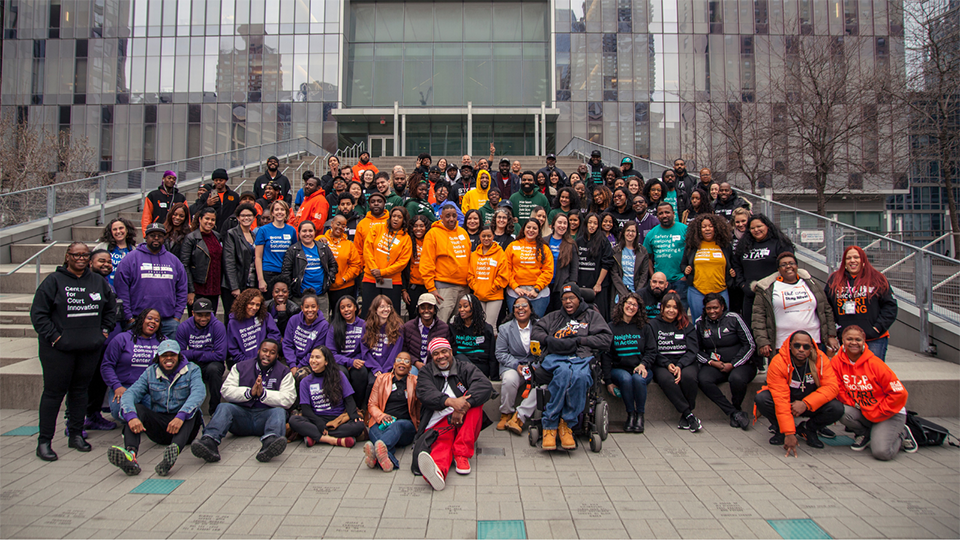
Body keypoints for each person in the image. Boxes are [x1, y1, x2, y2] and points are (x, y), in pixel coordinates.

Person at [30, 242, 117, 461]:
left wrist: (103, 333)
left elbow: (110, 310)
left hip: (89, 348)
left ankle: (76, 434)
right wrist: (55, 337)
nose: (80, 258)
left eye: (84, 255)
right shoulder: (53, 281)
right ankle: (44, 441)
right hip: (58, 350)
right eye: (76, 254)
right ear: (67, 256)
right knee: (53, 394)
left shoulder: (97, 281)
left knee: (80, 392)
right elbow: (39, 314)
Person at [531, 283, 612, 450]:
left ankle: (566, 423)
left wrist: (582, 340)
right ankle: (550, 425)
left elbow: (606, 339)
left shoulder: (592, 316)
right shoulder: (554, 317)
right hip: (557, 358)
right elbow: (536, 331)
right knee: (562, 374)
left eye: (571, 298)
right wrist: (548, 340)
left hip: (581, 357)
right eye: (564, 299)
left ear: (579, 299)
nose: (568, 302)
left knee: (580, 377)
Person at [107, 340, 205, 477]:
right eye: (164, 355)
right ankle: (130, 455)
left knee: (193, 412)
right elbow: (131, 393)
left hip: (184, 429)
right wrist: (131, 417)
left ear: (179, 356)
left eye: (173, 355)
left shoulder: (192, 370)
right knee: (136, 409)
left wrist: (181, 416)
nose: (169, 358)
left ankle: (172, 455)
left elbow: (198, 393)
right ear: (158, 357)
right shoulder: (150, 372)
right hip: (160, 427)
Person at [190, 339, 296, 464]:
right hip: (242, 417)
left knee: (279, 412)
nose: (267, 355)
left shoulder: (284, 372)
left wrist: (264, 394)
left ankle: (270, 443)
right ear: (258, 351)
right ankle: (209, 442)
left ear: (277, 356)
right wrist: (249, 393)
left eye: (272, 352)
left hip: (266, 418)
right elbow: (226, 390)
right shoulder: (240, 367)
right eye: (264, 351)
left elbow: (289, 398)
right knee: (224, 407)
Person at [415, 338, 494, 491]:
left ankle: (461, 455)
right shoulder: (426, 371)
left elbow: (484, 385)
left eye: (444, 351)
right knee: (442, 443)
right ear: (432, 356)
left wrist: (463, 407)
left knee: (475, 405)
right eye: (436, 354)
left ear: (451, 352)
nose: (441, 356)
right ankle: (436, 472)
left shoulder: (465, 367)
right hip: (439, 420)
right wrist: (451, 402)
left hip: (465, 421)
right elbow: (425, 393)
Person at [833, 325, 915, 459]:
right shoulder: (837, 362)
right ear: (842, 340)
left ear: (864, 341)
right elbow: (839, 389)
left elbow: (899, 393)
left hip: (888, 412)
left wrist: (878, 412)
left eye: (858, 339)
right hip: (865, 409)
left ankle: (902, 432)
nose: (854, 343)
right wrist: (855, 404)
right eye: (849, 339)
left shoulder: (876, 364)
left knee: (882, 453)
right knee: (841, 411)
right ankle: (865, 434)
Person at [754, 331, 844, 454]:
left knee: (837, 407)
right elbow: (781, 398)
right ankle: (781, 430)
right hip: (787, 402)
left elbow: (832, 387)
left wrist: (806, 403)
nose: (801, 350)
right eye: (797, 346)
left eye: (806, 347)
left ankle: (809, 429)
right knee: (762, 398)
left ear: (811, 347)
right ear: (790, 345)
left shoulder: (821, 359)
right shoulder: (779, 362)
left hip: (810, 403)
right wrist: (789, 433)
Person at [753, 252, 839, 357]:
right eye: (783, 265)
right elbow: (758, 318)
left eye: (791, 263)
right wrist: (763, 342)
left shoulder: (812, 284)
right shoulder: (766, 289)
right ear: (778, 270)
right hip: (782, 344)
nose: (788, 266)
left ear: (797, 266)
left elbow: (826, 310)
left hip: (813, 341)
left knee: (813, 373)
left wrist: (831, 335)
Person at [114, 222, 188, 338]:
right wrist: (129, 318)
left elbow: (182, 289)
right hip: (138, 320)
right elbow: (122, 289)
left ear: (165, 238)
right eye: (152, 235)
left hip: (168, 322)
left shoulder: (174, 261)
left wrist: (177, 316)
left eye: (160, 236)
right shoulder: (130, 259)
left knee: (170, 355)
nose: (156, 238)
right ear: (145, 237)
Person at [696, 294, 756, 429]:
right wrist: (711, 362)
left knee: (737, 378)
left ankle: (737, 406)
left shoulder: (734, 319)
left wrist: (733, 364)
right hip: (716, 364)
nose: (712, 311)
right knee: (703, 379)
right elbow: (696, 350)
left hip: (741, 364)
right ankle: (733, 412)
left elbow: (750, 345)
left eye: (715, 308)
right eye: (708, 308)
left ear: (722, 307)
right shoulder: (700, 323)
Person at [826, 247, 898, 360]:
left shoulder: (877, 279)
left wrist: (877, 328)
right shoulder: (834, 280)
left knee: (872, 374)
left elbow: (890, 307)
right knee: (849, 375)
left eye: (856, 257)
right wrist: (834, 331)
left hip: (873, 339)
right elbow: (827, 307)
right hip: (846, 339)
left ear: (863, 260)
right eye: (848, 258)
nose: (852, 261)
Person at [289, 347, 366, 447]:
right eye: (311, 357)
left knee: (359, 425)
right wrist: (318, 423)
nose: (313, 360)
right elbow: (306, 409)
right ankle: (334, 440)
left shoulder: (339, 375)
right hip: (316, 419)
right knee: (293, 421)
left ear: (326, 361)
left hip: (337, 420)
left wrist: (354, 415)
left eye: (317, 357)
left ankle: (315, 436)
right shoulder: (305, 381)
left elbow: (349, 400)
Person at [648, 292, 702, 432]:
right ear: (662, 308)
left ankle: (686, 415)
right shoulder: (653, 325)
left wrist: (680, 365)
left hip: (685, 362)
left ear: (679, 309)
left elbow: (692, 350)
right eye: (668, 307)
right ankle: (688, 414)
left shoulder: (686, 325)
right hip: (662, 363)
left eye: (675, 307)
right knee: (667, 380)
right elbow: (652, 349)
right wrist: (667, 364)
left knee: (689, 377)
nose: (671, 310)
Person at [733, 213, 795, 333]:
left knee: (773, 330)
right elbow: (737, 266)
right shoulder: (744, 245)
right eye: (752, 228)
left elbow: (787, 266)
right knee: (752, 330)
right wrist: (742, 285)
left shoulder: (780, 243)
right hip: (750, 295)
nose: (756, 230)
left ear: (767, 226)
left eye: (759, 226)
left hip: (774, 295)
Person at [603, 293, 655, 433]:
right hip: (619, 369)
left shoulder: (644, 327)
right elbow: (606, 355)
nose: (631, 307)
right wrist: (608, 381)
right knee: (626, 379)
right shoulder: (611, 327)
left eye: (634, 305)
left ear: (639, 309)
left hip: (641, 367)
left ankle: (640, 416)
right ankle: (630, 414)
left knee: (638, 379)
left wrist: (643, 364)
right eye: (629, 303)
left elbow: (651, 351)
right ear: (622, 305)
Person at [101, 308, 164, 422]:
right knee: (119, 411)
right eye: (149, 318)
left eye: (157, 320)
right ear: (140, 320)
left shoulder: (163, 342)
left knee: (162, 411)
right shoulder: (122, 338)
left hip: (150, 388)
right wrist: (116, 386)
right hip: (125, 387)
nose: (153, 322)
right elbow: (107, 365)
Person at [364, 353, 421, 472]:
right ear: (394, 364)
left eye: (406, 361)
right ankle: (386, 458)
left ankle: (375, 454)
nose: (402, 362)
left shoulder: (416, 382)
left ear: (410, 368)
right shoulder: (381, 379)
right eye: (399, 359)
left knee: (397, 425)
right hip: (382, 422)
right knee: (375, 432)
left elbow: (421, 405)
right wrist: (382, 416)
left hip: (405, 425)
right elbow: (372, 404)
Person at [175, 298, 227, 415]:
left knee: (214, 370)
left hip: (212, 364)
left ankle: (214, 410)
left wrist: (193, 353)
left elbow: (220, 355)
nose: (203, 318)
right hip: (195, 362)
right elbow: (180, 355)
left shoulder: (217, 326)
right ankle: (184, 409)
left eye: (207, 315)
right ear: (193, 313)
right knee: (185, 369)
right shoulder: (184, 327)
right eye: (199, 315)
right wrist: (201, 353)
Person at [421, 205, 472, 323]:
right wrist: (431, 287)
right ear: (441, 217)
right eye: (447, 216)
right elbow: (426, 262)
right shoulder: (433, 233)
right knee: (442, 322)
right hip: (444, 288)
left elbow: (469, 258)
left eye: (454, 215)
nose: (451, 219)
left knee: (459, 323)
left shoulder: (463, 232)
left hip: (464, 287)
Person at [681, 214, 735, 322]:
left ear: (716, 228)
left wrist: (732, 272)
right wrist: (685, 270)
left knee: (724, 322)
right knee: (699, 322)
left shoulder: (725, 245)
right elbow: (683, 264)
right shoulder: (693, 246)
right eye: (704, 227)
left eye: (710, 226)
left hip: (721, 290)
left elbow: (732, 263)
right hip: (697, 291)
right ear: (699, 230)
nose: (707, 229)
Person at [361, 207, 412, 316]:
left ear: (404, 220)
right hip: (371, 278)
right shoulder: (378, 228)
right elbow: (367, 249)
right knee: (369, 312)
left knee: (391, 314)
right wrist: (374, 270)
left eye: (399, 217)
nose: (396, 219)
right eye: (394, 216)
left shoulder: (406, 238)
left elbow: (402, 262)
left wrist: (383, 272)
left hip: (392, 281)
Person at [180, 207, 227, 315]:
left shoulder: (217, 236)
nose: (210, 222)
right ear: (200, 219)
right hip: (198, 288)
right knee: (196, 320)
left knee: (211, 319)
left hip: (214, 288)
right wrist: (190, 290)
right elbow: (185, 265)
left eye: (213, 220)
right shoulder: (191, 238)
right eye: (207, 218)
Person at [504, 219, 554, 317]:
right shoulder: (513, 246)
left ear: (539, 231)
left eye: (534, 228)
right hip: (515, 292)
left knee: (536, 324)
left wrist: (537, 289)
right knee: (516, 323)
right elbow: (506, 269)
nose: (531, 230)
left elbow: (548, 271)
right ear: (524, 229)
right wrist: (515, 287)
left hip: (538, 293)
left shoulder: (544, 249)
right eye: (528, 227)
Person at [642, 202, 689, 307]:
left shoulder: (684, 230)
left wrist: (686, 276)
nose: (664, 215)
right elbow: (647, 258)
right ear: (657, 216)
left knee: (681, 313)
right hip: (660, 283)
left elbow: (691, 253)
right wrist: (653, 276)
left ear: (673, 213)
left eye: (667, 212)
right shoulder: (651, 234)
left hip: (680, 280)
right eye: (661, 213)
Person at [360, 295, 405, 402]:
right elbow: (364, 350)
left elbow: (396, 351)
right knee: (372, 384)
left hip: (390, 367)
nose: (386, 309)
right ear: (375, 310)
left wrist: (386, 370)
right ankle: (368, 410)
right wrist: (375, 368)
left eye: (388, 306)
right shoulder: (366, 326)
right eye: (382, 307)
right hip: (374, 366)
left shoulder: (398, 327)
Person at [279, 220, 337, 300]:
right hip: (300, 296)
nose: (307, 234)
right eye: (304, 231)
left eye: (310, 231)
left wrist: (329, 279)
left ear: (314, 232)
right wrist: (291, 291)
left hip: (321, 295)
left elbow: (333, 265)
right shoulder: (293, 250)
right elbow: (286, 273)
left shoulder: (323, 248)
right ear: (299, 233)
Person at [467, 226, 510, 330]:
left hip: (494, 296)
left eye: (489, 236)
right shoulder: (474, 255)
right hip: (478, 296)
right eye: (483, 236)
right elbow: (470, 275)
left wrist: (492, 288)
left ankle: (493, 347)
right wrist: (476, 287)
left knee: (491, 326)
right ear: (479, 237)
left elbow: (503, 275)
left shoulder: (500, 253)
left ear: (493, 237)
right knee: (479, 324)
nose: (486, 238)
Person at [327, 295, 369, 399]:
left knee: (361, 372)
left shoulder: (364, 325)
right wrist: (349, 362)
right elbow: (330, 353)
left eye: (349, 306)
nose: (346, 310)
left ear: (355, 307)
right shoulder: (334, 327)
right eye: (342, 307)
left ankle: (358, 406)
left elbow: (367, 349)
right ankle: (345, 406)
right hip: (340, 362)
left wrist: (355, 361)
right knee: (341, 373)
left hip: (357, 361)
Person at [227, 289, 281, 365]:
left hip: (265, 360)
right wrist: (248, 362)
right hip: (245, 363)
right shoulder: (233, 322)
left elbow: (275, 334)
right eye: (251, 303)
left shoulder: (265, 316)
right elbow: (233, 349)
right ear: (243, 304)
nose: (254, 307)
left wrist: (266, 352)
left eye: (257, 305)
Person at [576, 213, 614, 319]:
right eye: (590, 222)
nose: (592, 226)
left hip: (598, 285)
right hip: (582, 283)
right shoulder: (579, 241)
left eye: (595, 223)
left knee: (598, 315)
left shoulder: (603, 241)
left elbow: (607, 263)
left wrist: (598, 284)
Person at [323, 214, 363, 313]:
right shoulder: (321, 240)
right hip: (323, 288)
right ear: (332, 224)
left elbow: (356, 265)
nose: (340, 227)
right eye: (338, 224)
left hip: (343, 287)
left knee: (341, 317)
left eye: (343, 226)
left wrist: (344, 278)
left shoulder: (349, 244)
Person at [255, 200, 297, 296]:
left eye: (282, 209)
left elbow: (293, 253)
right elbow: (258, 257)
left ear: (286, 213)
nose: (279, 212)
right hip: (268, 272)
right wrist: (260, 279)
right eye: (277, 209)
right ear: (272, 213)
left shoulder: (291, 230)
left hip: (285, 273)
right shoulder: (263, 230)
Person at [222, 203, 258, 315]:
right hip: (234, 285)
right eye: (243, 215)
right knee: (233, 317)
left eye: (249, 215)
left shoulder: (254, 235)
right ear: (238, 217)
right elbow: (229, 261)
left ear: (253, 217)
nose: (246, 218)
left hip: (249, 282)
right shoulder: (232, 234)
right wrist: (234, 287)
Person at [401, 293, 451, 370]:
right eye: (423, 308)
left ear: (435, 309)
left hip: (436, 365)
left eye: (430, 308)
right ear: (418, 309)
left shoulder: (444, 328)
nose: (426, 311)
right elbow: (403, 350)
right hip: (413, 365)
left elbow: (448, 351)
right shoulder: (408, 327)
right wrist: (415, 362)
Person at [282, 293, 330, 372]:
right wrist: (292, 365)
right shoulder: (293, 320)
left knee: (301, 376)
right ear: (302, 308)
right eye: (306, 307)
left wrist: (299, 366)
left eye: (313, 307)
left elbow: (316, 350)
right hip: (291, 360)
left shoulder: (323, 326)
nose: (310, 310)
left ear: (318, 307)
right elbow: (287, 343)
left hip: (310, 362)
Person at [612, 221, 651, 306]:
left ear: (637, 233)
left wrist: (636, 294)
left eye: (633, 231)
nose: (630, 233)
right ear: (623, 233)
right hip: (619, 292)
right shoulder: (615, 250)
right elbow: (614, 274)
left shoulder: (643, 251)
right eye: (628, 230)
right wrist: (624, 294)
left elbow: (644, 275)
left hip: (637, 291)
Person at [547, 213, 579, 312]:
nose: (562, 225)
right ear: (553, 225)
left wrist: (572, 283)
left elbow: (574, 267)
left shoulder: (571, 244)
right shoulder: (544, 241)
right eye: (559, 222)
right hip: (545, 285)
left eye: (565, 223)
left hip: (562, 285)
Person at [402, 215, 431, 320]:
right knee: (413, 316)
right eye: (415, 226)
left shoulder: (431, 240)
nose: (418, 229)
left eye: (421, 226)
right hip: (413, 287)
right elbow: (403, 268)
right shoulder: (407, 241)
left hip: (429, 286)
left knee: (429, 316)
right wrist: (404, 290)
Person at [95, 217, 136, 287]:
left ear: (127, 230)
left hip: (126, 290)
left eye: (121, 228)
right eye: (114, 229)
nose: (118, 231)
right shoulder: (101, 247)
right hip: (105, 288)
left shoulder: (134, 250)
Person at [200, 168, 240, 234]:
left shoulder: (234, 196)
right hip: (211, 229)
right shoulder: (206, 196)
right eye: (216, 180)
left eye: (221, 180)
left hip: (229, 230)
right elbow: (198, 211)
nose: (218, 182)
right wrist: (207, 204)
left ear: (226, 180)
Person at [354, 192, 390, 261]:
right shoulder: (362, 223)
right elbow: (358, 248)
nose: (376, 203)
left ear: (384, 204)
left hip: (387, 266)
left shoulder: (391, 222)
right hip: (367, 266)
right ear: (369, 205)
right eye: (373, 202)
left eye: (379, 201)